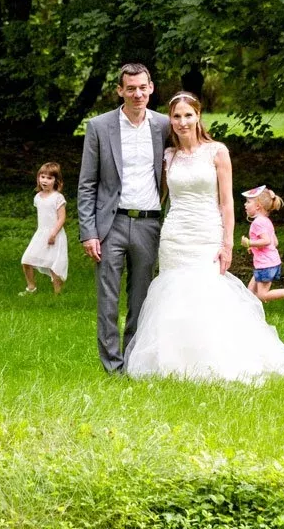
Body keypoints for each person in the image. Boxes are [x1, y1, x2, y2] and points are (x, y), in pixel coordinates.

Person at [125, 92, 284, 383]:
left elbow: (227, 202)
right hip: (175, 233)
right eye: (176, 117)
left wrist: (227, 242)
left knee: (206, 292)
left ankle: (214, 359)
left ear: (198, 116)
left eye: (188, 115)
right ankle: (174, 362)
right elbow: (159, 195)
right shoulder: (169, 156)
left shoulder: (217, 151)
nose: (182, 122)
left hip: (207, 231)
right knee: (174, 295)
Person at [77, 63, 170, 373]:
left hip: (149, 223)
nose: (137, 93)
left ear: (151, 88)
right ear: (119, 91)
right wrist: (88, 232)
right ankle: (112, 365)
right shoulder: (100, 127)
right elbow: (87, 184)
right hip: (110, 224)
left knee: (141, 299)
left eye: (142, 87)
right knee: (107, 299)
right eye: (130, 88)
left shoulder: (164, 126)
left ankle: (133, 361)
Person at [239, 185, 284, 304]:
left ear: (258, 206)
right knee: (249, 293)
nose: (245, 204)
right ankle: (249, 318)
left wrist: (249, 242)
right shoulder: (266, 221)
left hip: (265, 265)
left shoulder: (257, 223)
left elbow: (266, 241)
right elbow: (275, 242)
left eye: (248, 202)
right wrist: (254, 247)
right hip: (271, 262)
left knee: (263, 295)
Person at [20, 162, 68, 295]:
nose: (45, 180)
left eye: (49, 178)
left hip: (55, 234)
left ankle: (57, 294)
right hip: (41, 233)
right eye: (43, 177)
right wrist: (44, 233)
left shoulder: (58, 197)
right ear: (38, 178)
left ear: (56, 181)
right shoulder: (38, 197)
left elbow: (62, 218)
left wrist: (53, 233)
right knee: (26, 260)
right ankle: (31, 288)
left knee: (54, 265)